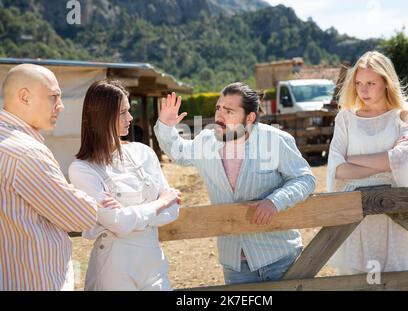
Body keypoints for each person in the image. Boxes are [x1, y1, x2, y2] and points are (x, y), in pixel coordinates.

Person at [154, 82, 316, 285]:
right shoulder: (206, 142)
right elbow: (178, 153)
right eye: (218, 108)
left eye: (229, 111)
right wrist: (166, 127)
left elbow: (304, 179)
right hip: (235, 266)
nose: (219, 116)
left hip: (280, 257)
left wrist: (275, 201)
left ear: (249, 118)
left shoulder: (275, 140)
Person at [327, 51, 408, 275]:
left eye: (370, 83)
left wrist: (353, 159)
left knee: (398, 281)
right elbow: (337, 169)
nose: (363, 90)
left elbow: (400, 159)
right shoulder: (345, 118)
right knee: (357, 282)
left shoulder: (404, 116)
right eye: (358, 83)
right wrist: (384, 162)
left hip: (396, 210)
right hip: (356, 213)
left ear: (386, 82)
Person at [68, 80, 180, 291]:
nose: (130, 118)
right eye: (122, 113)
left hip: (154, 263)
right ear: (101, 116)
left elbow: (173, 210)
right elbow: (117, 222)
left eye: (129, 111)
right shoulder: (82, 169)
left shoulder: (143, 153)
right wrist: (160, 203)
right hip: (114, 268)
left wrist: (129, 216)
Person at [0, 64, 98, 290]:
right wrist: (90, 199)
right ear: (25, 97)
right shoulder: (26, 153)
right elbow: (80, 216)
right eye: (54, 97)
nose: (60, 106)